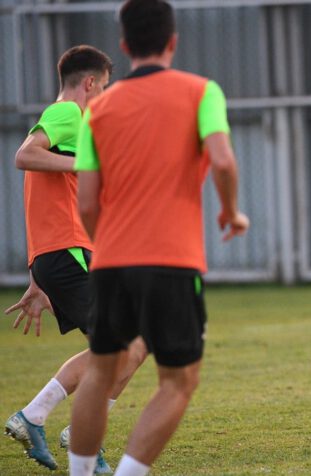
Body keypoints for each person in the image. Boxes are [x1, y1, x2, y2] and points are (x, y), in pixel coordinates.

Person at [68, 1, 249, 475]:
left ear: (124, 46)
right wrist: (231, 212)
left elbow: (86, 202)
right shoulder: (201, 91)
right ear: (173, 41)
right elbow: (223, 161)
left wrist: (107, 247)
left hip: (109, 261)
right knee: (178, 380)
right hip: (171, 261)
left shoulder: (98, 108)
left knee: (99, 372)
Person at [4, 45, 148, 473]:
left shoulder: (73, 123)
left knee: (132, 343)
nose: (102, 96)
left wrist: (37, 278)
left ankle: (65, 426)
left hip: (65, 254)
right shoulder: (67, 113)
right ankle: (55, 424)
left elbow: (43, 197)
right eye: (102, 88)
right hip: (65, 253)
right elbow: (24, 155)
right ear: (88, 83)